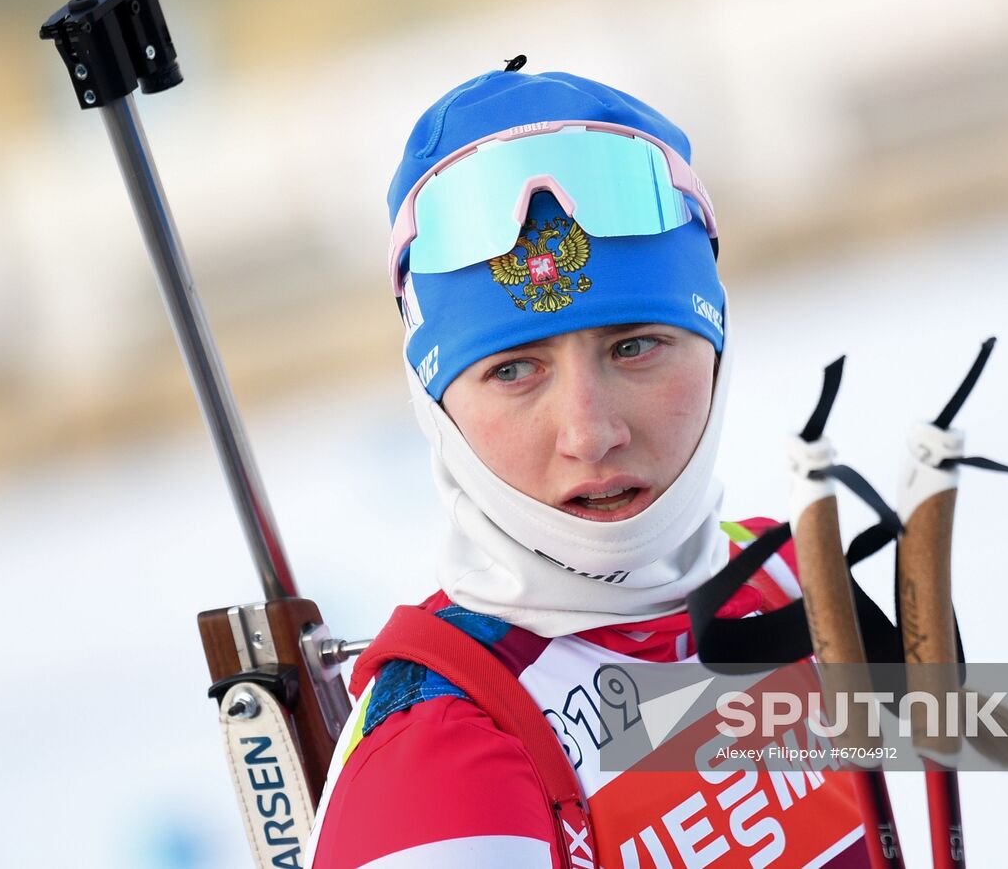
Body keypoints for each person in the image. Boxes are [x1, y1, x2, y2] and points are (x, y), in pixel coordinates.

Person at [308, 63, 871, 868]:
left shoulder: (790, 581)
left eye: (635, 346)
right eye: (513, 370)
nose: (589, 430)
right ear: (438, 407)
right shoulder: (439, 756)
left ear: (715, 347)